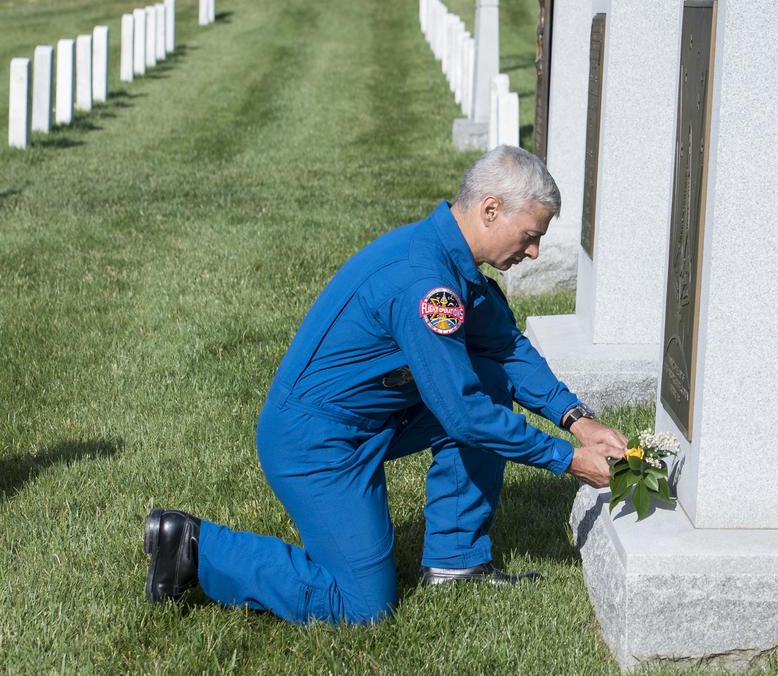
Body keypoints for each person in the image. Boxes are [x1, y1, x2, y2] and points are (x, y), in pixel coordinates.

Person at [143, 146, 626, 625]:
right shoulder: (424, 282)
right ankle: (193, 546)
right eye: (530, 235)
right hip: (318, 443)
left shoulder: (453, 260)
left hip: (374, 419)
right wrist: (566, 459)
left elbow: (504, 349)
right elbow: (462, 412)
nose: (535, 251)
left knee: (492, 380)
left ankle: (456, 560)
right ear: (491, 209)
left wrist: (577, 420)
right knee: (361, 607)